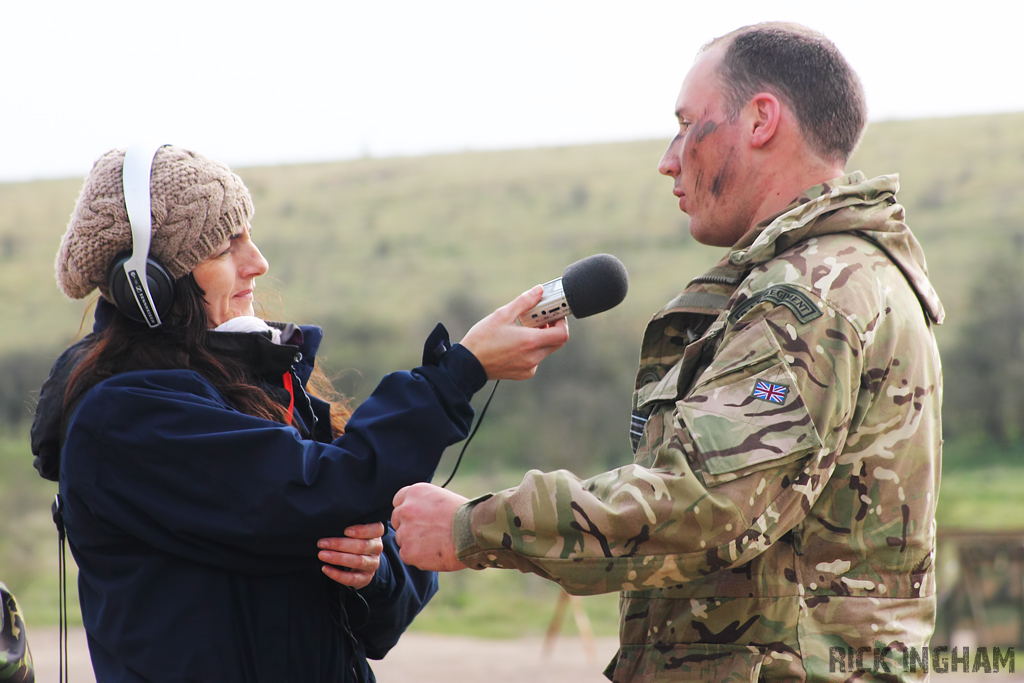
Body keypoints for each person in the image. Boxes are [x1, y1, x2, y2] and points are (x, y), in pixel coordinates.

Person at [390, 21, 944, 682]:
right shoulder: (845, 275)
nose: (670, 157)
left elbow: (702, 505)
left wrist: (472, 527)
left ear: (761, 119)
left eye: (688, 124)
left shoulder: (814, 292)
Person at [29, 145, 568, 682]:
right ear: (148, 286)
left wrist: (372, 572)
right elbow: (329, 490)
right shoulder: (126, 422)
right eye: (224, 246)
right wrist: (458, 374)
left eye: (248, 235)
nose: (256, 262)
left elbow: (386, 613)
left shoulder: (256, 386)